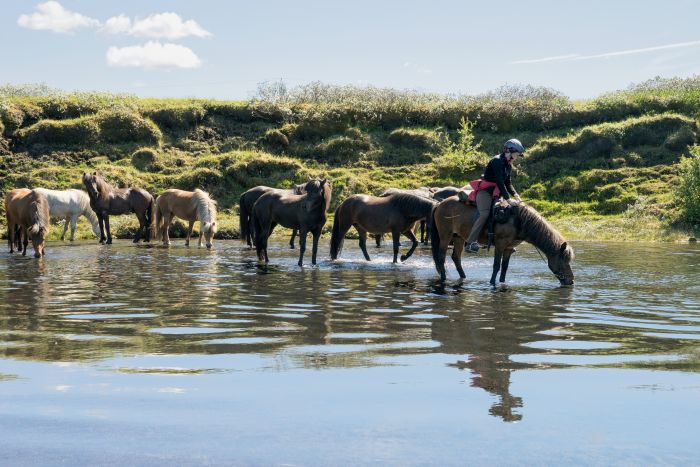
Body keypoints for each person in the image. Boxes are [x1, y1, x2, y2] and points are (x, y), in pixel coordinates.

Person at [464, 138, 524, 253]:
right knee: (485, 214)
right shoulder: (496, 161)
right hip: (485, 192)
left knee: (504, 213)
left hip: (496, 194)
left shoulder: (508, 165)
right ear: (510, 151)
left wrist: (516, 195)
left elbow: (508, 183)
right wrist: (507, 198)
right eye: (516, 154)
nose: (517, 157)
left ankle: (502, 241)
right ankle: (470, 243)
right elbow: (500, 182)